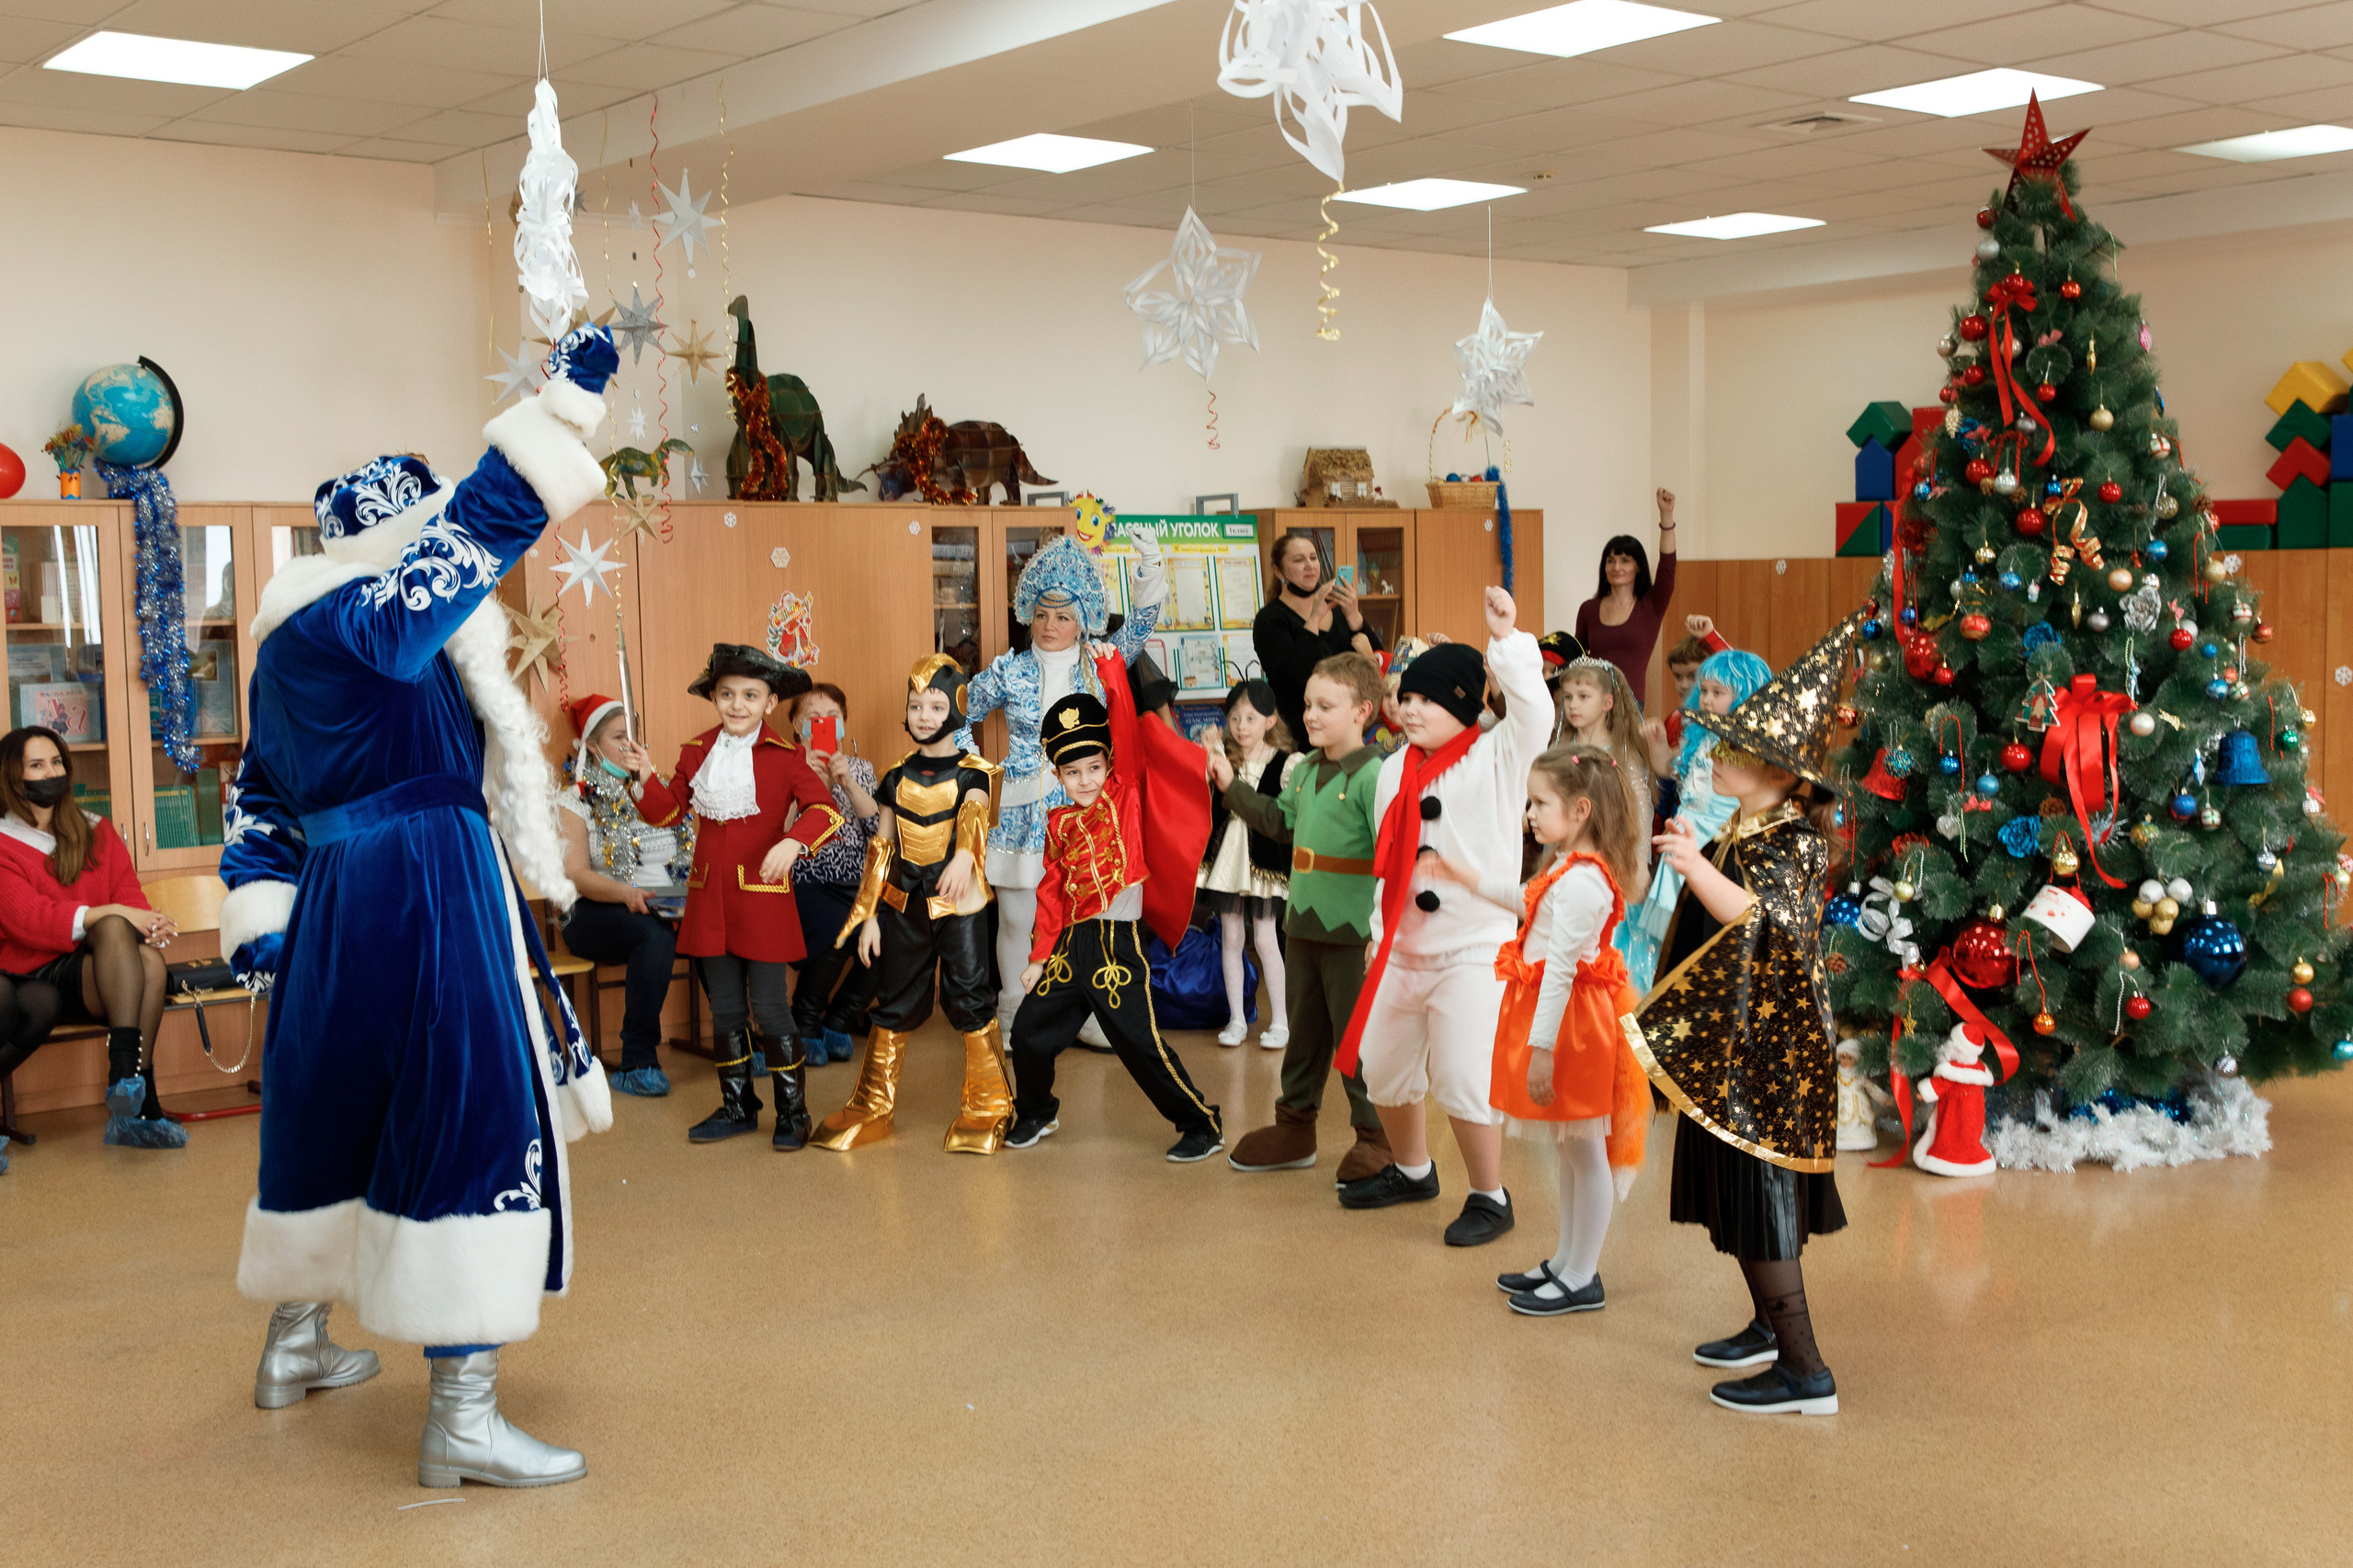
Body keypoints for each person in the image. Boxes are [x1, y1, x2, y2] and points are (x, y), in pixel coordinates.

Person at [219, 326, 618, 1486]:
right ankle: (463, 1412)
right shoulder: (363, 621)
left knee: (338, 1100)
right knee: (466, 1099)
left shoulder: (285, 645)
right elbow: (464, 545)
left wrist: (273, 925)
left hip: (342, 893)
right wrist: (562, 416)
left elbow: (263, 796)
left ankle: (295, 1342)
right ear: (394, 547)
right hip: (425, 879)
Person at [1635, 611, 1862, 1416]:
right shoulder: (1745, 818)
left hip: (1774, 1045)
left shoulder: (1793, 838)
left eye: (1735, 750)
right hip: (1738, 1033)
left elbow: (1762, 921)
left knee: (1761, 1189)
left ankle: (1805, 1370)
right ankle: (1770, 1328)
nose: (1716, 757)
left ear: (1784, 772)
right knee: (1735, 1182)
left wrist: (1695, 866)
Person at [1332, 586, 1548, 1247]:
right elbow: (1388, 864)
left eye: (1425, 699)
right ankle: (1411, 1169)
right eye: (1407, 696)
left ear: (1460, 704)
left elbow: (1535, 713)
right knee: (1384, 1066)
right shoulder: (1395, 768)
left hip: (1472, 948)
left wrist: (1507, 643)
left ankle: (1490, 1195)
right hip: (1399, 946)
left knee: (1461, 1074)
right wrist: (1377, 937)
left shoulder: (1499, 756)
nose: (1408, 707)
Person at [1433, 744, 1652, 1316]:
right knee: (1572, 1149)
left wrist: (1540, 1051)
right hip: (1559, 1018)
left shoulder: (1584, 882)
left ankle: (1583, 1274)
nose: (1529, 813)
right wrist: (1468, 877)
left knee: (1585, 1151)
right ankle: (1566, 1260)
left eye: (1539, 803)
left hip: (1573, 1026)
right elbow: (1529, 905)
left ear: (1580, 811)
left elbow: (1560, 972)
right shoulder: (1564, 867)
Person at [627, 645, 843, 1151]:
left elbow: (825, 812)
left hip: (763, 899)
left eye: (750, 695)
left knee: (770, 1008)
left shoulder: (787, 758)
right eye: (727, 694)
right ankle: (737, 1106)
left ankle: (793, 1113)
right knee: (724, 1010)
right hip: (709, 900)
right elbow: (668, 812)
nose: (737, 704)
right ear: (714, 698)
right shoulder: (696, 751)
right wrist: (643, 778)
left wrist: (793, 842)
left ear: (770, 702)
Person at [1006, 653, 1221, 1161]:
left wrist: (1113, 678)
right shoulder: (1058, 824)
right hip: (1071, 946)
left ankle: (1202, 1123)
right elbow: (1052, 892)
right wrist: (1038, 957)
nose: (1086, 780)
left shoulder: (1123, 794)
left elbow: (1124, 734)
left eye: (1094, 768)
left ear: (1108, 765)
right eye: (1073, 771)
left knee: (1140, 1045)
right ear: (1058, 774)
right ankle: (1037, 1112)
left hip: (1116, 945)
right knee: (1028, 1031)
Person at [956, 529, 1165, 1040]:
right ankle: (1013, 1014)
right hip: (1025, 814)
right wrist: (980, 771)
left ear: (1083, 621)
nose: (1051, 626)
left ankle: (1091, 1015)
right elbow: (958, 714)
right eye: (1043, 613)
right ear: (1029, 610)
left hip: (1088, 815)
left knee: (1086, 919)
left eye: (1064, 615)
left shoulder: (1099, 663)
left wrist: (1151, 561)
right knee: (1016, 921)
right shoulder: (1008, 669)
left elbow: (1140, 627)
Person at [1209, 652, 1392, 1182]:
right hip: (1303, 927)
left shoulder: (1375, 775)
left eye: (1325, 706)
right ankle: (1294, 1125)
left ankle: (1377, 1136)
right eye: (1309, 704)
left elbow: (1391, 857)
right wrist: (1230, 786)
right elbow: (1278, 822)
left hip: (1353, 932)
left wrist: (1382, 932)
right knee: (1305, 1033)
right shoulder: (1306, 769)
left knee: (1356, 1040)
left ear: (1363, 710)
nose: (1311, 714)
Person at [815, 655, 1007, 1154]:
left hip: (960, 906)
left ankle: (990, 1104)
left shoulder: (977, 773)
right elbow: (881, 849)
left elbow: (974, 816)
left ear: (958, 708)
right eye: (916, 705)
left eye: (936, 705)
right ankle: (872, 1104)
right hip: (905, 907)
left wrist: (966, 855)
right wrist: (872, 915)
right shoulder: (895, 776)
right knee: (894, 1005)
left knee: (968, 1001)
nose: (924, 715)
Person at [0, 726, 179, 1148]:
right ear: (13, 777)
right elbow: (30, 922)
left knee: (149, 960)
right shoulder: (4, 841)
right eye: (37, 765)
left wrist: (149, 923)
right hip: (29, 972)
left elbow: (129, 898)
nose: (51, 773)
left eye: (57, 762)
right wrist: (116, 913)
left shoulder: (96, 830)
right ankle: (136, 1097)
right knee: (115, 926)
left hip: (97, 971)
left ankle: (129, 1084)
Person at [555, 694, 686, 1098]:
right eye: (619, 738)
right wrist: (627, 894)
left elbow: (685, 849)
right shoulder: (574, 799)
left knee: (713, 922)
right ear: (592, 747)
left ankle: (737, 1042)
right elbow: (575, 874)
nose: (632, 747)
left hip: (659, 899)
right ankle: (637, 1059)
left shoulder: (656, 791)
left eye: (635, 738)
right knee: (654, 935)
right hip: (593, 910)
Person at [1626, 648, 1771, 994]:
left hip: (1716, 846)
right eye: (1702, 691)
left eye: (1717, 693)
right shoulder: (1700, 737)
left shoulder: (1746, 749)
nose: (1705, 699)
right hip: (1686, 840)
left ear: (1746, 695)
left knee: (1701, 926)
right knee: (1670, 930)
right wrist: (1660, 743)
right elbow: (1668, 770)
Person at [1198, 679, 1298, 1049]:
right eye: (1235, 718)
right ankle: (1237, 1019)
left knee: (1267, 939)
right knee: (1231, 938)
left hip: (1265, 865)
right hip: (1226, 863)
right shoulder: (1222, 758)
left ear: (1270, 721)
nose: (1241, 726)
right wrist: (1208, 757)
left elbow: (1283, 818)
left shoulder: (1287, 764)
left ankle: (1282, 1022)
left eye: (1251, 718)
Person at [784, 683, 881, 1066]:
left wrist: (848, 783)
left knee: (897, 930)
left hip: (858, 882)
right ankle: (804, 1020)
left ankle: (839, 1019)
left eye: (832, 718)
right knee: (840, 927)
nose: (823, 724)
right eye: (813, 718)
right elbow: (782, 831)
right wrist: (813, 783)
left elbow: (877, 831)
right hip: (806, 881)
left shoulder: (860, 768)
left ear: (843, 724)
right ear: (796, 724)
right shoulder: (783, 766)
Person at [1253, 529, 1381, 753]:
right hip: (1299, 734)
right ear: (1278, 570)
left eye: (1313, 558)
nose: (1310, 566)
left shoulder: (1338, 610)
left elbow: (1379, 661)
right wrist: (1314, 618)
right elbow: (1292, 676)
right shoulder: (1270, 619)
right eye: (1299, 560)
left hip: (1349, 732)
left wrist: (1353, 614)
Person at [1574, 488, 1678, 706]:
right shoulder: (1589, 609)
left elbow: (1668, 566)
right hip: (1592, 701)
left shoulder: (1651, 606)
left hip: (1631, 704)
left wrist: (1666, 517)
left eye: (1625, 560)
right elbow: (1577, 657)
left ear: (1638, 567)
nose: (1616, 567)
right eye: (1610, 561)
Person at [1555, 656, 1654, 870]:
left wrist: (1639, 861)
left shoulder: (1622, 751)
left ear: (1607, 703)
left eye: (1583, 696)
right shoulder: (1562, 747)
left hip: (1610, 848)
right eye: (1568, 697)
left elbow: (1640, 806)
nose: (1573, 704)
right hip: (1567, 846)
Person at [1659, 616, 1731, 748]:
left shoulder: (1728, 715)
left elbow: (1737, 671)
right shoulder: (1674, 720)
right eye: (1678, 677)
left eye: (1693, 676)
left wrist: (1710, 636)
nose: (1684, 685)